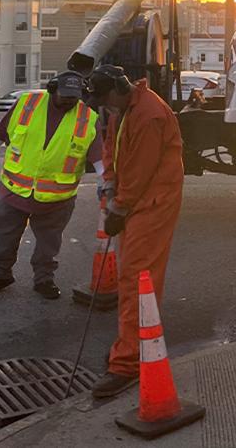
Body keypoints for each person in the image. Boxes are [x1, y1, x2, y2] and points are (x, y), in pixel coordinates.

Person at [87, 65, 185, 398]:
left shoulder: (149, 115)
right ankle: (132, 344)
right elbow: (112, 149)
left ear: (117, 89)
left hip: (153, 202)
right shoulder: (124, 108)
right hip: (136, 199)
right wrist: (110, 186)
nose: (104, 109)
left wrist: (119, 207)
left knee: (137, 279)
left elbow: (141, 170)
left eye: (105, 101)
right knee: (133, 277)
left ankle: (128, 363)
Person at [0, 71, 103, 300]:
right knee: (3, 236)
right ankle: (0, 275)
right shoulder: (28, 103)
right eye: (65, 96)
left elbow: (98, 156)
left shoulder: (88, 117)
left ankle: (44, 279)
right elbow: (2, 130)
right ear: (52, 89)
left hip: (57, 198)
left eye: (74, 97)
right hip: (14, 189)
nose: (69, 101)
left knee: (48, 243)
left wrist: (105, 182)